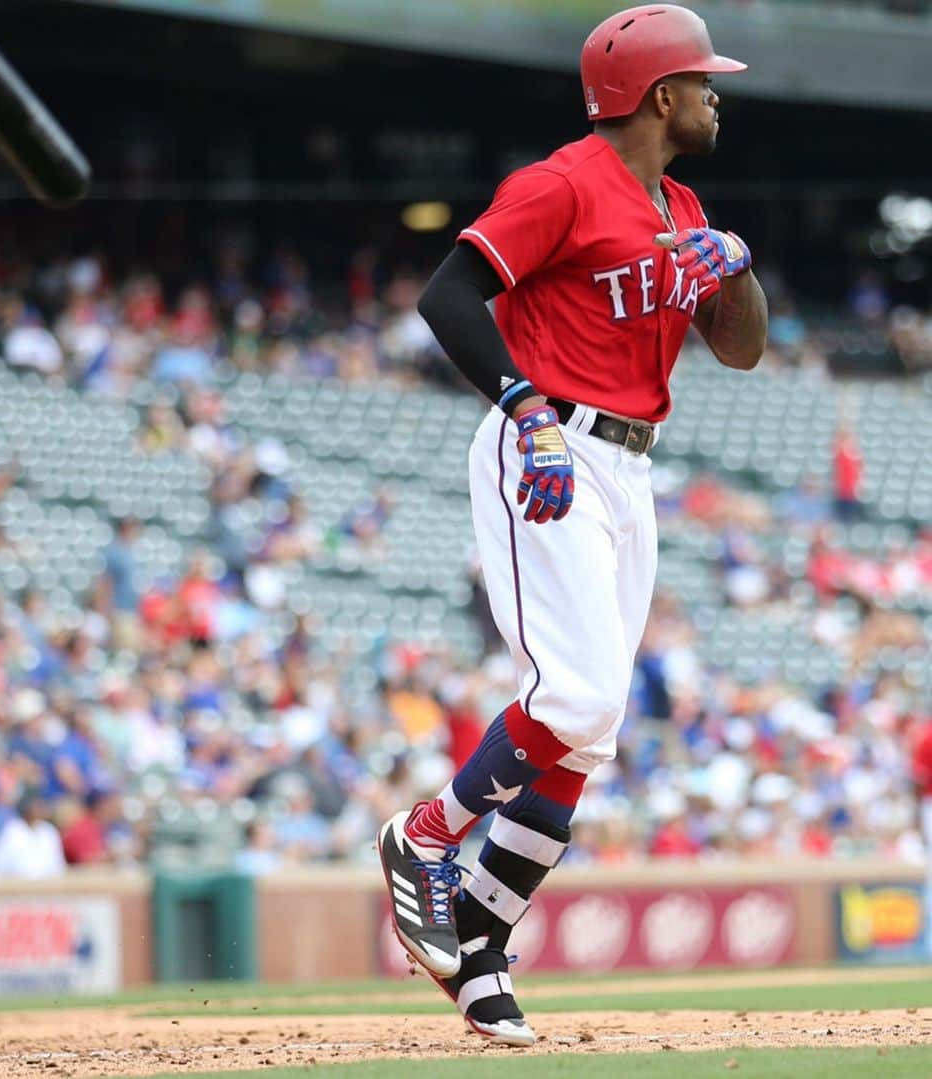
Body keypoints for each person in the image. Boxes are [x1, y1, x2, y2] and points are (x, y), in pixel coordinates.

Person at [376, 4, 767, 1046]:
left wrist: (732, 259)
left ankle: (479, 955)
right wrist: (522, 407)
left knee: (590, 733)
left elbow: (741, 351)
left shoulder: (677, 199)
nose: (717, 94)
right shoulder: (561, 183)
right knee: (580, 692)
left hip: (631, 464)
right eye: (703, 80)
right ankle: (425, 834)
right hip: (548, 447)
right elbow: (448, 294)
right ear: (660, 96)